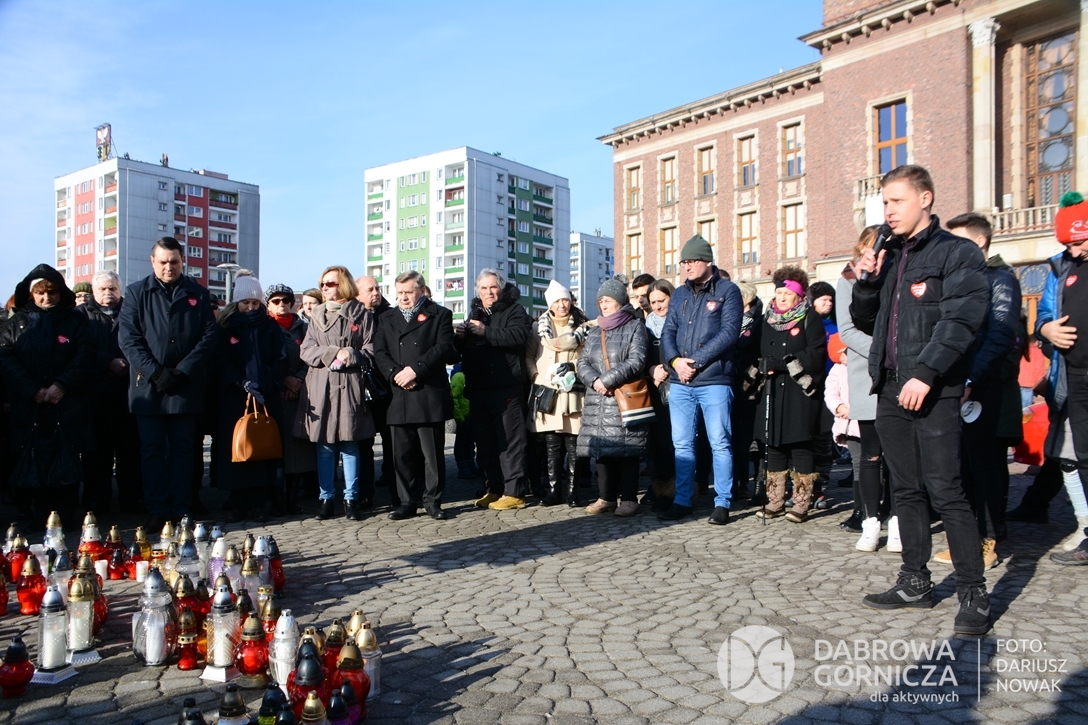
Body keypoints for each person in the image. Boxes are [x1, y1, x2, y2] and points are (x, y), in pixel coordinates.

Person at [851, 164, 991, 635]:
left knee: (945, 489)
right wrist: (867, 283)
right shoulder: (890, 255)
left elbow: (961, 321)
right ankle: (914, 581)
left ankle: (973, 592)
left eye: (896, 200)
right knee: (906, 489)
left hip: (934, 389)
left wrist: (927, 374)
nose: (887, 211)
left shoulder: (957, 252)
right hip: (891, 387)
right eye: (884, 202)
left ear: (925, 198)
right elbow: (868, 322)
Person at [931, 212, 1022, 568]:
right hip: (956, 383)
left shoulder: (1001, 279)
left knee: (984, 465)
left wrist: (971, 380)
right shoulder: (958, 280)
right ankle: (966, 539)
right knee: (961, 464)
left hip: (982, 386)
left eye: (959, 241)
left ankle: (986, 540)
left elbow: (1000, 335)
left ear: (980, 241)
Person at [119, 237, 217, 529]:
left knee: (183, 450)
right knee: (151, 451)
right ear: (153, 261)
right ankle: (157, 509)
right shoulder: (135, 293)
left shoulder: (199, 294)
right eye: (163, 262)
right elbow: (129, 339)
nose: (169, 267)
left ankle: (181, 508)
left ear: (182, 261)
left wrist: (183, 371)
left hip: (185, 387)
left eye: (174, 261)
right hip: (148, 388)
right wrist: (156, 372)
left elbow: (208, 337)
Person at [658, 234, 743, 524]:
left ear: (707, 261)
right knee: (682, 444)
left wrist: (695, 361)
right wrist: (674, 362)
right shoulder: (680, 294)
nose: (687, 266)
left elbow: (729, 333)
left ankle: (722, 502)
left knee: (719, 442)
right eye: (683, 261)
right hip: (681, 381)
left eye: (692, 261)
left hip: (714, 380)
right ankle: (682, 500)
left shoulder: (728, 291)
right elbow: (668, 332)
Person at [0, 265, 96, 522]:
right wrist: (32, 389)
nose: (46, 298)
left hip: (66, 404)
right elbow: (6, 359)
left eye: (52, 292)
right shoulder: (15, 323)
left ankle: (65, 513)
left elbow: (85, 354)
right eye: (40, 293)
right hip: (29, 405)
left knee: (67, 460)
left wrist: (62, 385)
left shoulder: (75, 320)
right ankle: (29, 513)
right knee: (26, 459)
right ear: (31, 294)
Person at [294, 266, 375, 521]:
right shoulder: (316, 315)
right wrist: (332, 353)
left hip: (350, 386)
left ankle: (351, 499)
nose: (325, 288)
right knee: (325, 446)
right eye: (323, 284)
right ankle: (326, 499)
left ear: (344, 284)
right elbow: (306, 350)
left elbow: (371, 350)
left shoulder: (362, 314)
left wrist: (351, 354)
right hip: (322, 386)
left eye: (330, 283)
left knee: (351, 444)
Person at [373, 271, 455, 520]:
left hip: (427, 392)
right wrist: (395, 374)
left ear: (421, 290)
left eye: (408, 292)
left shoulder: (440, 314)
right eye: (399, 293)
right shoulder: (387, 317)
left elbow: (442, 348)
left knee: (432, 455)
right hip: (399, 393)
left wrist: (415, 371)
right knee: (401, 454)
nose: (403, 297)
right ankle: (406, 501)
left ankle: (432, 501)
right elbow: (380, 351)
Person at [1035, 192, 1088, 566]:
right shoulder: (1061, 268)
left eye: (1080, 241)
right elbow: (1042, 316)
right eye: (1068, 243)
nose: (1074, 249)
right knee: (1081, 457)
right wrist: (1046, 330)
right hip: (1074, 377)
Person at [753, 266, 827, 524]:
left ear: (798, 295)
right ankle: (775, 501)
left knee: (800, 447)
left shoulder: (809, 317)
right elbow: (755, 350)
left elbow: (816, 353)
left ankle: (801, 502)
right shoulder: (767, 319)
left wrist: (784, 363)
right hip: (772, 391)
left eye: (787, 293)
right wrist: (759, 366)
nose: (782, 297)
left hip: (799, 393)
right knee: (773, 446)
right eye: (779, 293)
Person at [454, 269, 533, 511]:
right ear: (478, 291)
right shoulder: (475, 313)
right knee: (485, 443)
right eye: (484, 288)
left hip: (506, 387)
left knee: (510, 442)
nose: (489, 292)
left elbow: (519, 336)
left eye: (493, 287)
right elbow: (462, 351)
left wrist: (486, 332)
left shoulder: (515, 310)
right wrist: (460, 337)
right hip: (479, 388)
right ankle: (494, 488)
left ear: (501, 288)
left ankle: (515, 492)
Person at [836, 226, 894, 546]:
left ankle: (897, 519)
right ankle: (871, 520)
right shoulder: (847, 279)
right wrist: (884, 349)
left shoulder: (896, 274)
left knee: (898, 456)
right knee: (870, 453)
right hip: (867, 372)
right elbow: (846, 331)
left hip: (898, 372)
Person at [214, 276, 288, 523]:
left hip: (265, 395)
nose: (250, 308)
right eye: (246, 302)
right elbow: (221, 359)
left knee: (262, 447)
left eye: (255, 303)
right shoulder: (226, 327)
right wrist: (239, 381)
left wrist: (271, 382)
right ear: (237, 302)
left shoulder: (269, 326)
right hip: (235, 396)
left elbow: (280, 358)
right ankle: (237, 502)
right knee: (237, 448)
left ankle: (259, 503)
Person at [576, 279, 649, 517]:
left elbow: (637, 360)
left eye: (608, 300)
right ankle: (605, 497)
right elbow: (582, 362)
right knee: (603, 448)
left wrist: (606, 380)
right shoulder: (595, 331)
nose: (604, 305)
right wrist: (595, 381)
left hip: (623, 397)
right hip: (598, 399)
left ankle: (629, 498)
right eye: (601, 301)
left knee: (628, 448)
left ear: (620, 301)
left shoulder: (635, 327)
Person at [77, 271, 142, 514]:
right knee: (96, 455)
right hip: (94, 394)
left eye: (113, 288)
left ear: (120, 289)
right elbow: (79, 350)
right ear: (93, 291)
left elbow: (141, 343)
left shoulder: (132, 311)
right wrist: (107, 362)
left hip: (128, 394)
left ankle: (131, 499)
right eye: (103, 289)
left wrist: (127, 363)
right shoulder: (80, 315)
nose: (108, 293)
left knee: (129, 452)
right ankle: (97, 501)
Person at [526, 279, 590, 508]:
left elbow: (589, 357)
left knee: (574, 445)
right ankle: (554, 491)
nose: (562, 305)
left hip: (574, 392)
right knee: (551, 446)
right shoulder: (538, 328)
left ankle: (573, 492)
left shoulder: (583, 328)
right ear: (549, 304)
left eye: (565, 300)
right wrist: (536, 375)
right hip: (548, 392)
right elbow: (529, 356)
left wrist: (576, 370)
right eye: (557, 301)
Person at [266, 283, 314, 515]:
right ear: (268, 304)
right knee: (275, 448)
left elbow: (311, 358)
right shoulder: (264, 327)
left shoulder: (304, 328)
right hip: (273, 395)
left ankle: (293, 499)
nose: (282, 305)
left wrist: (298, 381)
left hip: (299, 395)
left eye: (286, 300)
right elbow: (263, 359)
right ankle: (276, 499)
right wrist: (284, 380)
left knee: (297, 450)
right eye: (276, 301)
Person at [356, 275, 395, 504]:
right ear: (357, 294)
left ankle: (393, 483)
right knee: (364, 443)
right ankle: (365, 491)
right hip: (361, 389)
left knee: (391, 439)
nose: (376, 293)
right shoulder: (352, 316)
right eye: (370, 289)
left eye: (378, 288)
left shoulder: (389, 316)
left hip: (387, 388)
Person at [643, 278, 675, 510]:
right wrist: (651, 369)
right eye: (653, 302)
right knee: (657, 442)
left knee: (676, 442)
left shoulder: (680, 321)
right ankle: (658, 488)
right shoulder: (646, 325)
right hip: (654, 389)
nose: (657, 306)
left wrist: (668, 368)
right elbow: (640, 357)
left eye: (661, 300)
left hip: (677, 387)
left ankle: (676, 489)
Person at [731, 281, 763, 503]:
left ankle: (752, 484)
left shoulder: (758, 321)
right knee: (734, 440)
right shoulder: (730, 320)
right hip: (731, 385)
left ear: (745, 299)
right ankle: (735, 483)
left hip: (752, 388)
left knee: (750, 441)